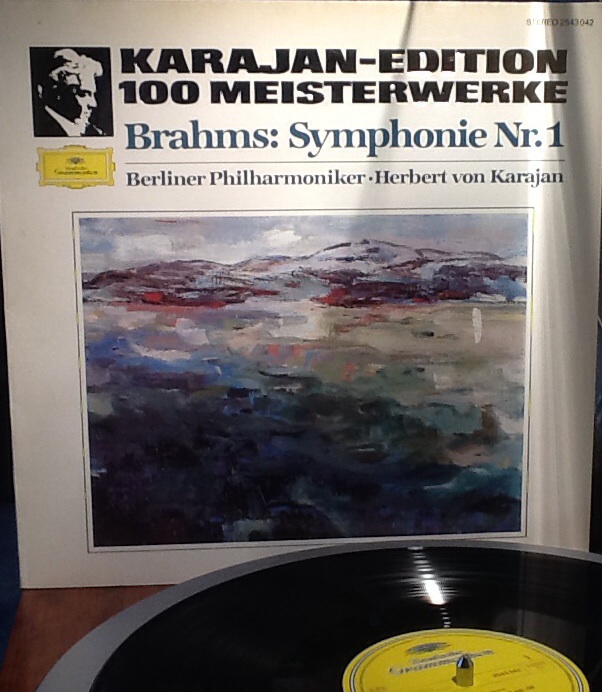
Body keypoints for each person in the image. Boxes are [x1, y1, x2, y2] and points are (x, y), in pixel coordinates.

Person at [33, 48, 106, 136]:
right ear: (55, 95)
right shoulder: (42, 131)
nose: (93, 104)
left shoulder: (95, 132)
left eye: (92, 95)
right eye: (82, 94)